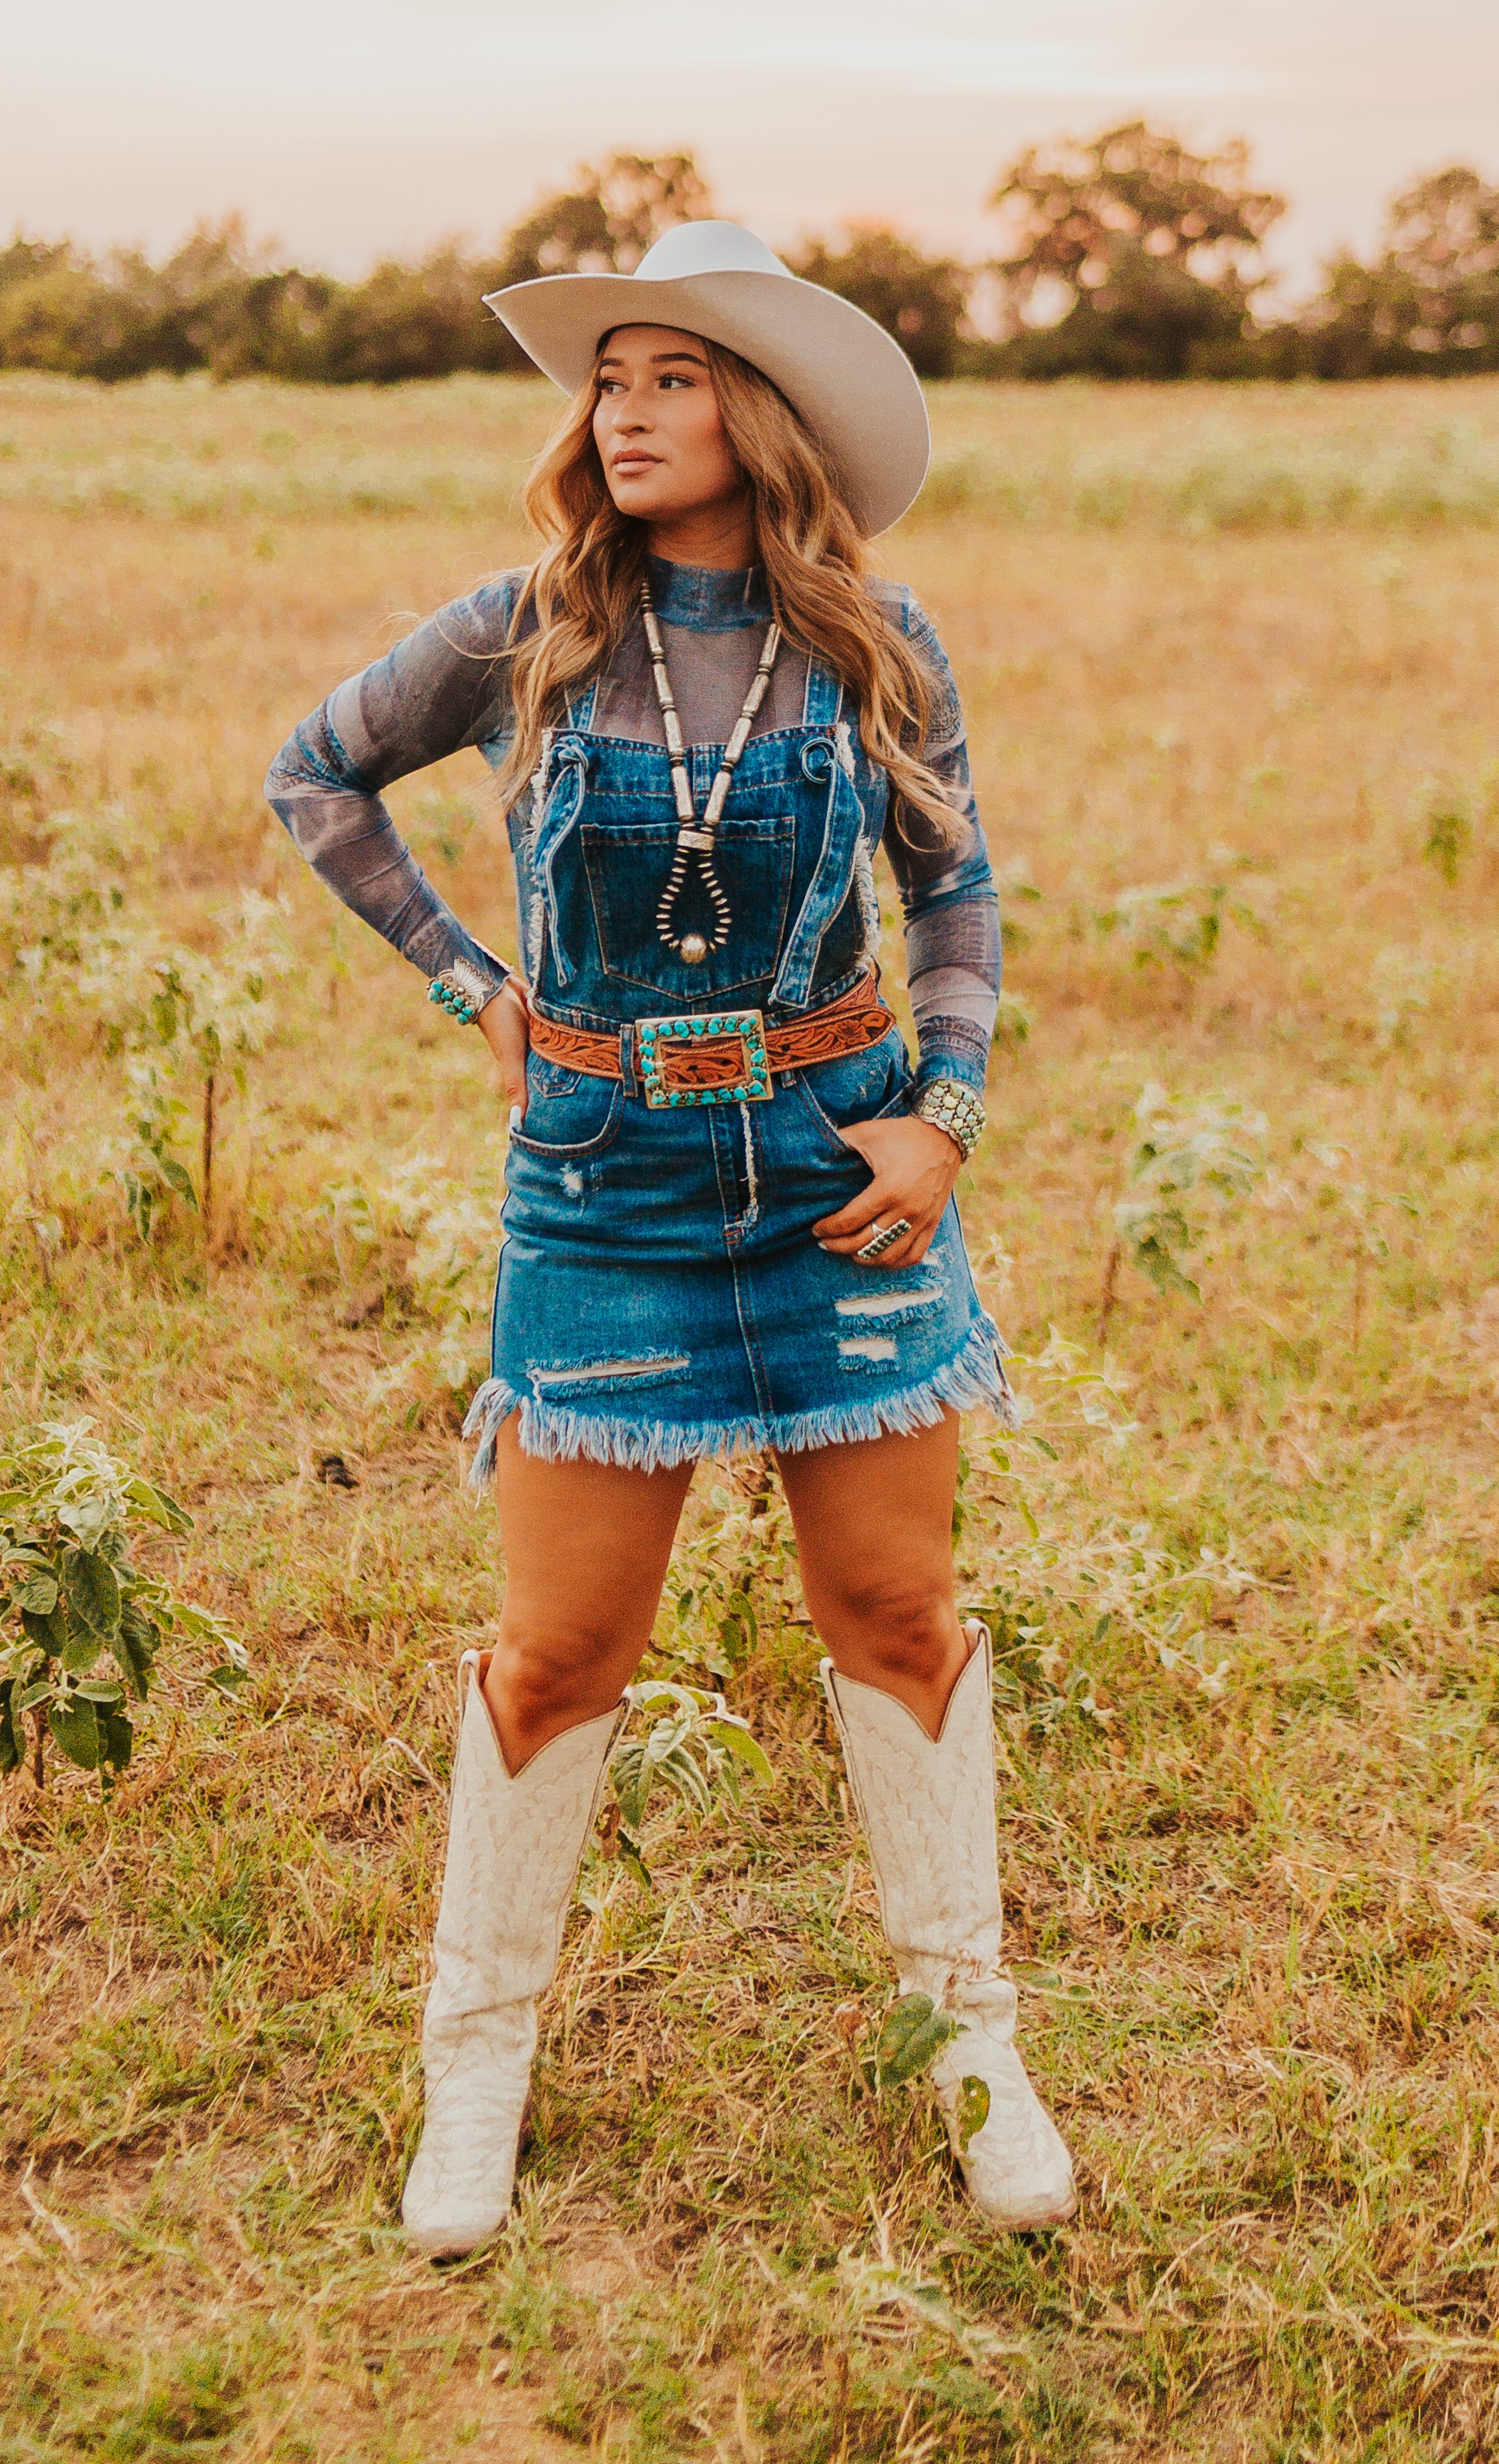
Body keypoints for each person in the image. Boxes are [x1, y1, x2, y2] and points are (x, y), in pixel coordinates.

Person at [266, 220, 1075, 2251]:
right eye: (606, 381)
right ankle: (479, 2066)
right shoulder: (523, 626)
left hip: (835, 1171)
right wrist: (473, 982)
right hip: (605, 1184)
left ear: (764, 412)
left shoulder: (880, 641)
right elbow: (317, 769)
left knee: (897, 1611)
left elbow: (958, 900)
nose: (621, 414)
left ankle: (971, 2046)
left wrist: (946, 1116)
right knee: (558, 1648)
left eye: (672, 377)